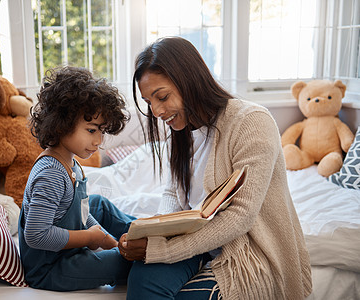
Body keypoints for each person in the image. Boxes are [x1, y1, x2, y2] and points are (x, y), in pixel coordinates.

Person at [118, 37, 312, 299]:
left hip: (243, 253)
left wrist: (162, 251)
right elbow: (173, 194)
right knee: (142, 275)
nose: (157, 112)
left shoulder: (252, 122)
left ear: (189, 80)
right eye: (149, 102)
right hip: (194, 242)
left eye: (162, 97)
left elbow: (240, 217)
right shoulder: (182, 129)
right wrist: (158, 231)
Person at [19, 66, 136, 291]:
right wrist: (88, 238)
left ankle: (140, 233)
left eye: (102, 131)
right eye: (92, 130)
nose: (99, 141)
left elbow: (82, 213)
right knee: (126, 264)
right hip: (51, 268)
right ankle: (138, 252)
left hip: (68, 249)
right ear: (61, 123)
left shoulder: (70, 162)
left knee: (98, 205)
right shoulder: (51, 174)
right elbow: (36, 235)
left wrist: (107, 241)